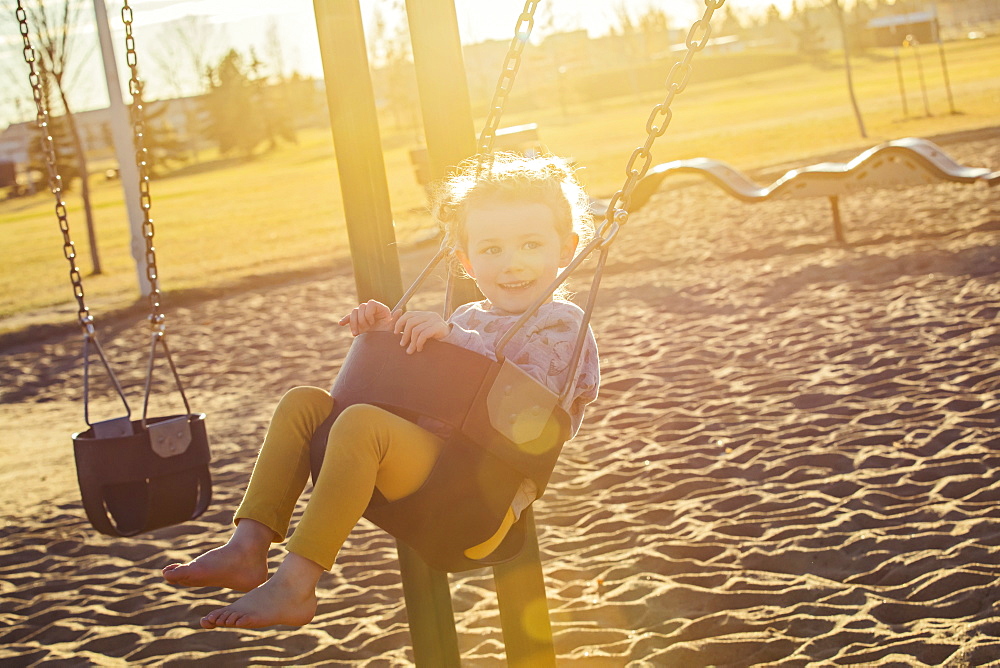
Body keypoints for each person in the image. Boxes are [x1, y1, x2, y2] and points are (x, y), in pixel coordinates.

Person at [162, 153, 601, 629]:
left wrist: (449, 338)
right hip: (427, 468)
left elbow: (526, 407)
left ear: (565, 250)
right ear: (466, 261)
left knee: (361, 424)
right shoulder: (470, 318)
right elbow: (433, 390)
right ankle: (248, 547)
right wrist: (392, 333)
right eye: (492, 249)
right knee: (303, 403)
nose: (512, 263)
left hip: (477, 498)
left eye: (531, 244)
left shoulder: (564, 325)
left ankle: (295, 586)